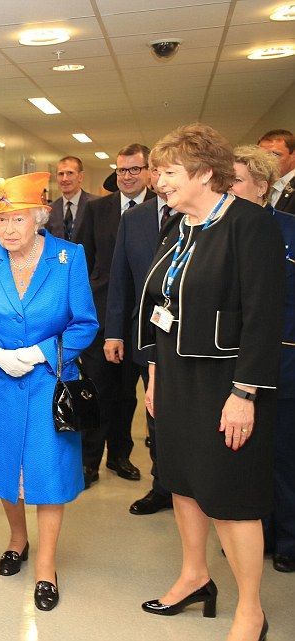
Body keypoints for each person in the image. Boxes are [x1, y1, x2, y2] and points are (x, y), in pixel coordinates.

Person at [138, 124, 285, 641]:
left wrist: (245, 394)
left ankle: (251, 608)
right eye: (158, 172)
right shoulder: (178, 227)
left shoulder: (250, 225)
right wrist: (155, 375)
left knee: (230, 492)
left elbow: (264, 318)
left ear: (204, 173)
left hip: (227, 381)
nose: (160, 182)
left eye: (170, 172)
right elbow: (162, 305)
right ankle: (195, 575)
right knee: (182, 480)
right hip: (176, 375)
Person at [0, 172, 98, 612]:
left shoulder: (68, 257)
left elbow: (85, 324)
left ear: (39, 217)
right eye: (0, 220)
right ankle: (18, 539)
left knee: (47, 472)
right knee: (5, 467)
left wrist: (39, 353)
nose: (9, 230)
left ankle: (46, 566)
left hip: (49, 382)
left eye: (18, 219)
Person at [230, 144, 295, 574]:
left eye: (235, 180)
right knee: (243, 453)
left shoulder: (287, 229)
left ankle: (288, 536)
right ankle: (256, 531)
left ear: (262, 186)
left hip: (283, 360)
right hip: (231, 362)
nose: (227, 188)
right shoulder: (215, 231)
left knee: (283, 453)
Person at [75, 143, 154, 488]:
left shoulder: (164, 208)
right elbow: (82, 262)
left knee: (128, 394)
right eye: (122, 170)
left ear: (150, 171)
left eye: (135, 169)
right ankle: (88, 462)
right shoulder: (97, 210)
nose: (127, 176)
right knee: (97, 390)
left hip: (147, 321)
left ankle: (119, 455)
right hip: (102, 316)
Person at [105, 168, 180, 516]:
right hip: (144, 336)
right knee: (154, 414)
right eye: (161, 173)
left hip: (192, 339)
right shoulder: (134, 219)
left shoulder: (199, 215)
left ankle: (191, 487)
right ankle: (162, 486)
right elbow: (119, 278)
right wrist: (114, 332)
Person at [45, 156, 92, 241]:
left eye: (70, 173)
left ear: (80, 176)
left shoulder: (95, 205)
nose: (64, 179)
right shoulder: (50, 210)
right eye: (61, 174)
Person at [258, 129, 295, 214]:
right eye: (261, 155)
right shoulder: (257, 183)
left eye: (275, 155)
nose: (267, 161)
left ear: (293, 155)